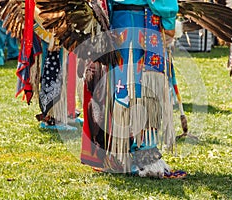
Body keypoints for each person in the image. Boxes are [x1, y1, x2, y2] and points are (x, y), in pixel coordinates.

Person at [80, 0, 187, 178]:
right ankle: (145, 155)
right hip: (144, 23)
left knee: (122, 86)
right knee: (143, 88)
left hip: (117, 22)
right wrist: (169, 21)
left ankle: (120, 155)